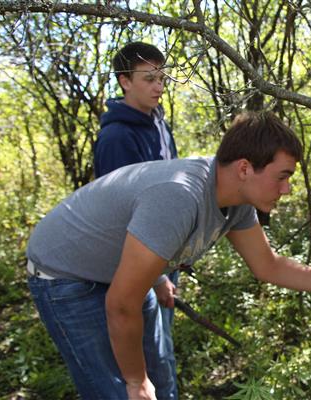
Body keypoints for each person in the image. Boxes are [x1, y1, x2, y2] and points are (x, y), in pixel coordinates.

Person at [26, 111, 311, 400]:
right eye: (282, 176)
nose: (288, 189)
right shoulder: (180, 196)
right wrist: (135, 382)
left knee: (161, 380)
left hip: (122, 271)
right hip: (66, 278)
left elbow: (269, 265)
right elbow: (121, 303)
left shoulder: (237, 201)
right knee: (121, 390)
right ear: (245, 168)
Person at [93, 42, 179, 398]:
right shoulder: (117, 137)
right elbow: (122, 215)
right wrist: (156, 277)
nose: (158, 86)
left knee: (163, 349)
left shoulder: (158, 122)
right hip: (139, 263)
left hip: (164, 254)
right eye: (149, 79)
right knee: (147, 361)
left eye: (162, 78)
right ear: (124, 81)